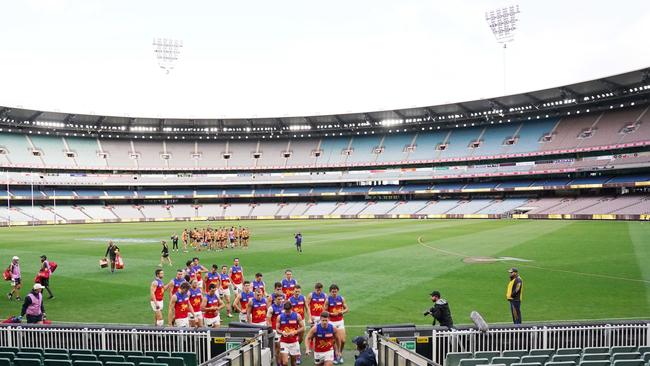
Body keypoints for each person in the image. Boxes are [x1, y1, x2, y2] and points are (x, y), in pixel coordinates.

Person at [276, 301, 305, 366]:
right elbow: (277, 329)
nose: (287, 313)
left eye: (288, 311)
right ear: (284, 309)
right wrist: (282, 332)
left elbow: (303, 327)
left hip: (294, 342)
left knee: (293, 363)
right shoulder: (280, 317)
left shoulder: (297, 316)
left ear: (291, 308)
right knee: (285, 362)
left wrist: (295, 332)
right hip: (284, 342)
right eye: (286, 311)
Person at [327, 284, 349, 364]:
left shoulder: (341, 298)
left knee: (343, 340)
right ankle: (336, 355)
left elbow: (347, 309)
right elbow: (324, 311)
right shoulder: (328, 300)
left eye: (335, 291)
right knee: (333, 341)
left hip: (340, 321)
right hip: (331, 322)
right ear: (330, 292)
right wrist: (331, 314)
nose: (334, 293)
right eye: (332, 292)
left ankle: (340, 353)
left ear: (337, 291)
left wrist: (341, 312)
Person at [267, 292, 286, 363]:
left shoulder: (284, 306)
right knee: (278, 347)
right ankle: (279, 363)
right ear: (275, 299)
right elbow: (268, 320)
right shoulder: (271, 308)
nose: (280, 300)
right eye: (279, 299)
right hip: (275, 331)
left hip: (283, 330)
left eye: (281, 299)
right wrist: (272, 330)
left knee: (283, 347)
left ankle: (282, 361)